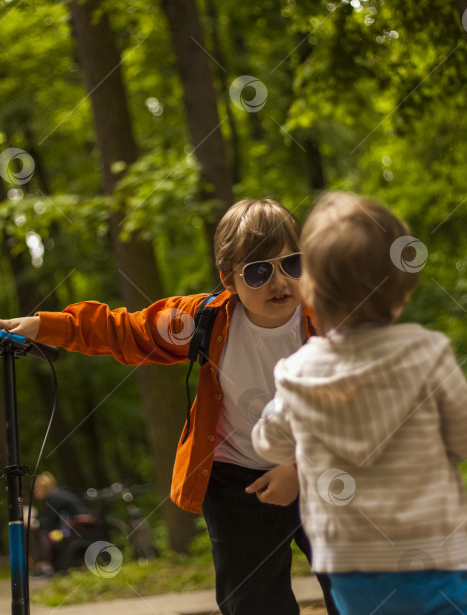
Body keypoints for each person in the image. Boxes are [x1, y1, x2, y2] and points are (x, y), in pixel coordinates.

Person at [0, 198, 339, 615]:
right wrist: (44, 325)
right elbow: (123, 329)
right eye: (258, 270)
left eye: (292, 264)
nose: (279, 281)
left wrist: (300, 471)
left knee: (361, 591)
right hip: (236, 485)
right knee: (252, 603)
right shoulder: (202, 320)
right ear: (228, 279)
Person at [252, 191, 467, 615]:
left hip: (351, 568)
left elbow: (270, 444)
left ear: (309, 299)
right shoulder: (426, 354)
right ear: (403, 292)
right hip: (434, 554)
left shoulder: (296, 374)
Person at [31, 471, 95, 575]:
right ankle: (47, 565)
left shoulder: (54, 498)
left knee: (45, 534)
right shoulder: (57, 495)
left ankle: (45, 565)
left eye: (36, 490)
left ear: (42, 488)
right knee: (47, 533)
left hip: (70, 530)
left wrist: (34, 522)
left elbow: (51, 522)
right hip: (72, 528)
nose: (35, 493)